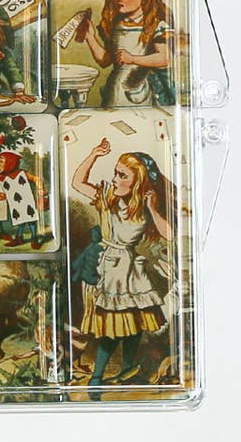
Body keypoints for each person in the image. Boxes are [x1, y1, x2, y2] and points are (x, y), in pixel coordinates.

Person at [71, 138, 174, 393]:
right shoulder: (108, 197)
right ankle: (96, 377)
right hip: (109, 269)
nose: (115, 179)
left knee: (135, 322)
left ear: (138, 182)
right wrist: (94, 154)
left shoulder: (145, 207)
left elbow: (170, 234)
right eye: (116, 173)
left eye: (122, 175)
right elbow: (77, 183)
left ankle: (127, 367)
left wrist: (153, 208)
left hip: (132, 272)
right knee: (109, 328)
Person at [82, 0, 175, 106]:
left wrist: (132, 59)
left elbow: (165, 58)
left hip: (139, 90)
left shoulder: (156, 25)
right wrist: (90, 37)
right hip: (114, 89)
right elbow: (105, 60)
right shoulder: (116, 24)